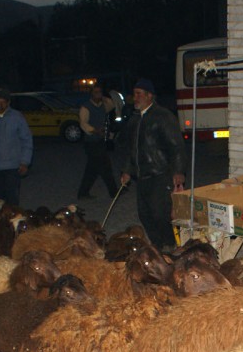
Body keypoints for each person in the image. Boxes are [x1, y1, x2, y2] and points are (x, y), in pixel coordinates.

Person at [120, 78, 186, 251]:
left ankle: (170, 243)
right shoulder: (134, 120)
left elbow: (176, 146)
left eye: (139, 94)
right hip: (142, 175)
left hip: (161, 173)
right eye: (134, 94)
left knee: (161, 213)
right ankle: (157, 243)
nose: (135, 98)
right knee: (145, 214)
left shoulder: (163, 116)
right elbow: (131, 150)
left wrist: (179, 171)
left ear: (150, 96)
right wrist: (127, 171)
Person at [76, 84, 118, 200]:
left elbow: (113, 104)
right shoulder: (86, 107)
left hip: (100, 140)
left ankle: (83, 193)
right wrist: (94, 131)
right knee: (105, 166)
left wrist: (104, 97)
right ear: (91, 93)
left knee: (92, 170)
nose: (98, 94)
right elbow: (83, 124)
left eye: (100, 92)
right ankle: (114, 191)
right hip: (91, 142)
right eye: (96, 92)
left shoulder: (103, 105)